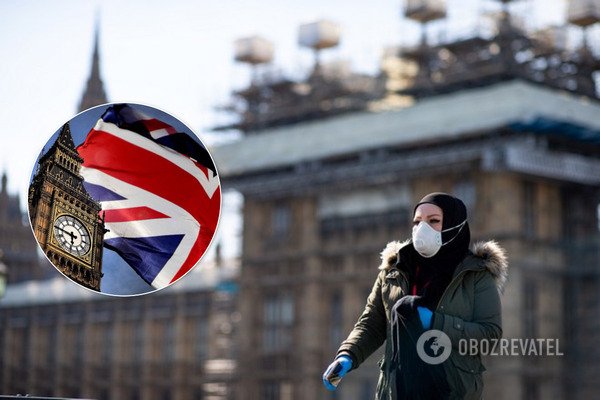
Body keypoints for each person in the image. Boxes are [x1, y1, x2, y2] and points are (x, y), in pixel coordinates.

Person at [322, 192, 508, 399]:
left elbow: (489, 336)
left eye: (433, 221)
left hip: (451, 391)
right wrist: (348, 355)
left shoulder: (475, 274)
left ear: (454, 225)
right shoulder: (394, 271)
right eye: (417, 222)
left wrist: (436, 323)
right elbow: (371, 324)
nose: (422, 229)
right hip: (397, 391)